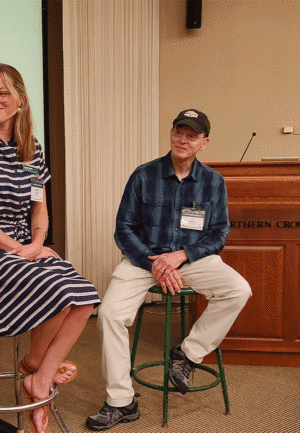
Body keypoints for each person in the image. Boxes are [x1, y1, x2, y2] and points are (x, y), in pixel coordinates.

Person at [0, 63, 101, 433]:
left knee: (84, 295)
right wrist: (21, 249)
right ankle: (38, 370)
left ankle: (38, 373)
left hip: (23, 247)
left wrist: (36, 243)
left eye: (2, 93)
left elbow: (40, 205)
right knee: (56, 290)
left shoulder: (30, 148)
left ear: (20, 99)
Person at [86, 109, 252, 431]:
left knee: (238, 289)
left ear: (203, 143)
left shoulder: (213, 182)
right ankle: (121, 401)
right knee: (109, 314)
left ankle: (187, 354)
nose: (183, 139)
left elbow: (218, 234)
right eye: (179, 132)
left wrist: (181, 255)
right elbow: (124, 230)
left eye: (191, 135)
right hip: (143, 261)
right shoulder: (144, 175)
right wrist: (154, 262)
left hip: (192, 260)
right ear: (172, 134)